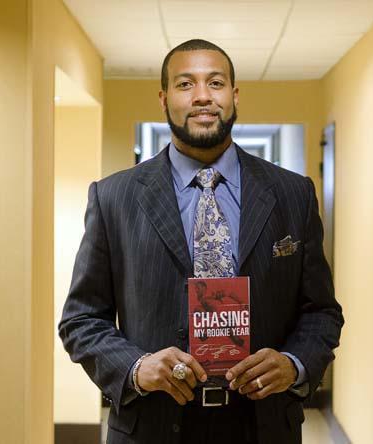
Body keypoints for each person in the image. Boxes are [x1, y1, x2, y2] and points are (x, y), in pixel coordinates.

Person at [58, 39, 344, 444]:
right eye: (185, 84)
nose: (203, 97)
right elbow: (81, 320)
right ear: (163, 98)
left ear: (234, 95)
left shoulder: (293, 193)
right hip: (152, 427)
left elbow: (322, 312)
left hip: (263, 427)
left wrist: (294, 364)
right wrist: (137, 368)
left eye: (216, 83)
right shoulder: (114, 198)